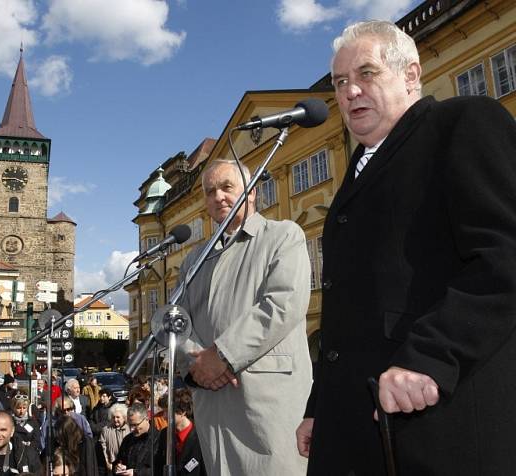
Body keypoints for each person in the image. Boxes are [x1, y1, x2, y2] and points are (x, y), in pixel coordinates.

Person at [294, 20, 516, 476]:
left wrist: (431, 357)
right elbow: (347, 312)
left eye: (367, 74)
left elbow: (504, 256)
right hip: (354, 429)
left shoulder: (463, 123)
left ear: (411, 75)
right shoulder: (355, 176)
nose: (350, 91)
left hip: (437, 425)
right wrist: (322, 403)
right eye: (340, 82)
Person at [177, 159, 312, 474]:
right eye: (210, 192)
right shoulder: (194, 259)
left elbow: (282, 304)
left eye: (226, 187)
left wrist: (222, 355)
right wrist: (196, 361)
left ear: (251, 193)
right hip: (212, 405)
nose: (218, 197)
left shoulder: (282, 236)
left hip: (264, 403)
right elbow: (177, 321)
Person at [154, 388, 206, 476]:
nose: (164, 416)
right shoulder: (164, 434)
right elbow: (158, 465)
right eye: (164, 411)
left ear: (183, 412)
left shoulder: (201, 436)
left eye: (168, 412)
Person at [112, 403, 158, 476]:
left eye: (136, 425)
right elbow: (118, 461)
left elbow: (159, 469)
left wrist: (136, 473)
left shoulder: (158, 439)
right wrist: (118, 467)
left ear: (146, 419)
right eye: (130, 425)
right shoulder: (127, 439)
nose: (132, 429)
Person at [98, 404, 128, 475]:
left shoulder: (129, 429)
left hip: (126, 464)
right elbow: (103, 448)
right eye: (113, 417)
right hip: (112, 465)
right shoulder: (105, 430)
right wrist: (107, 462)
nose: (115, 419)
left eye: (118, 417)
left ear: (124, 417)